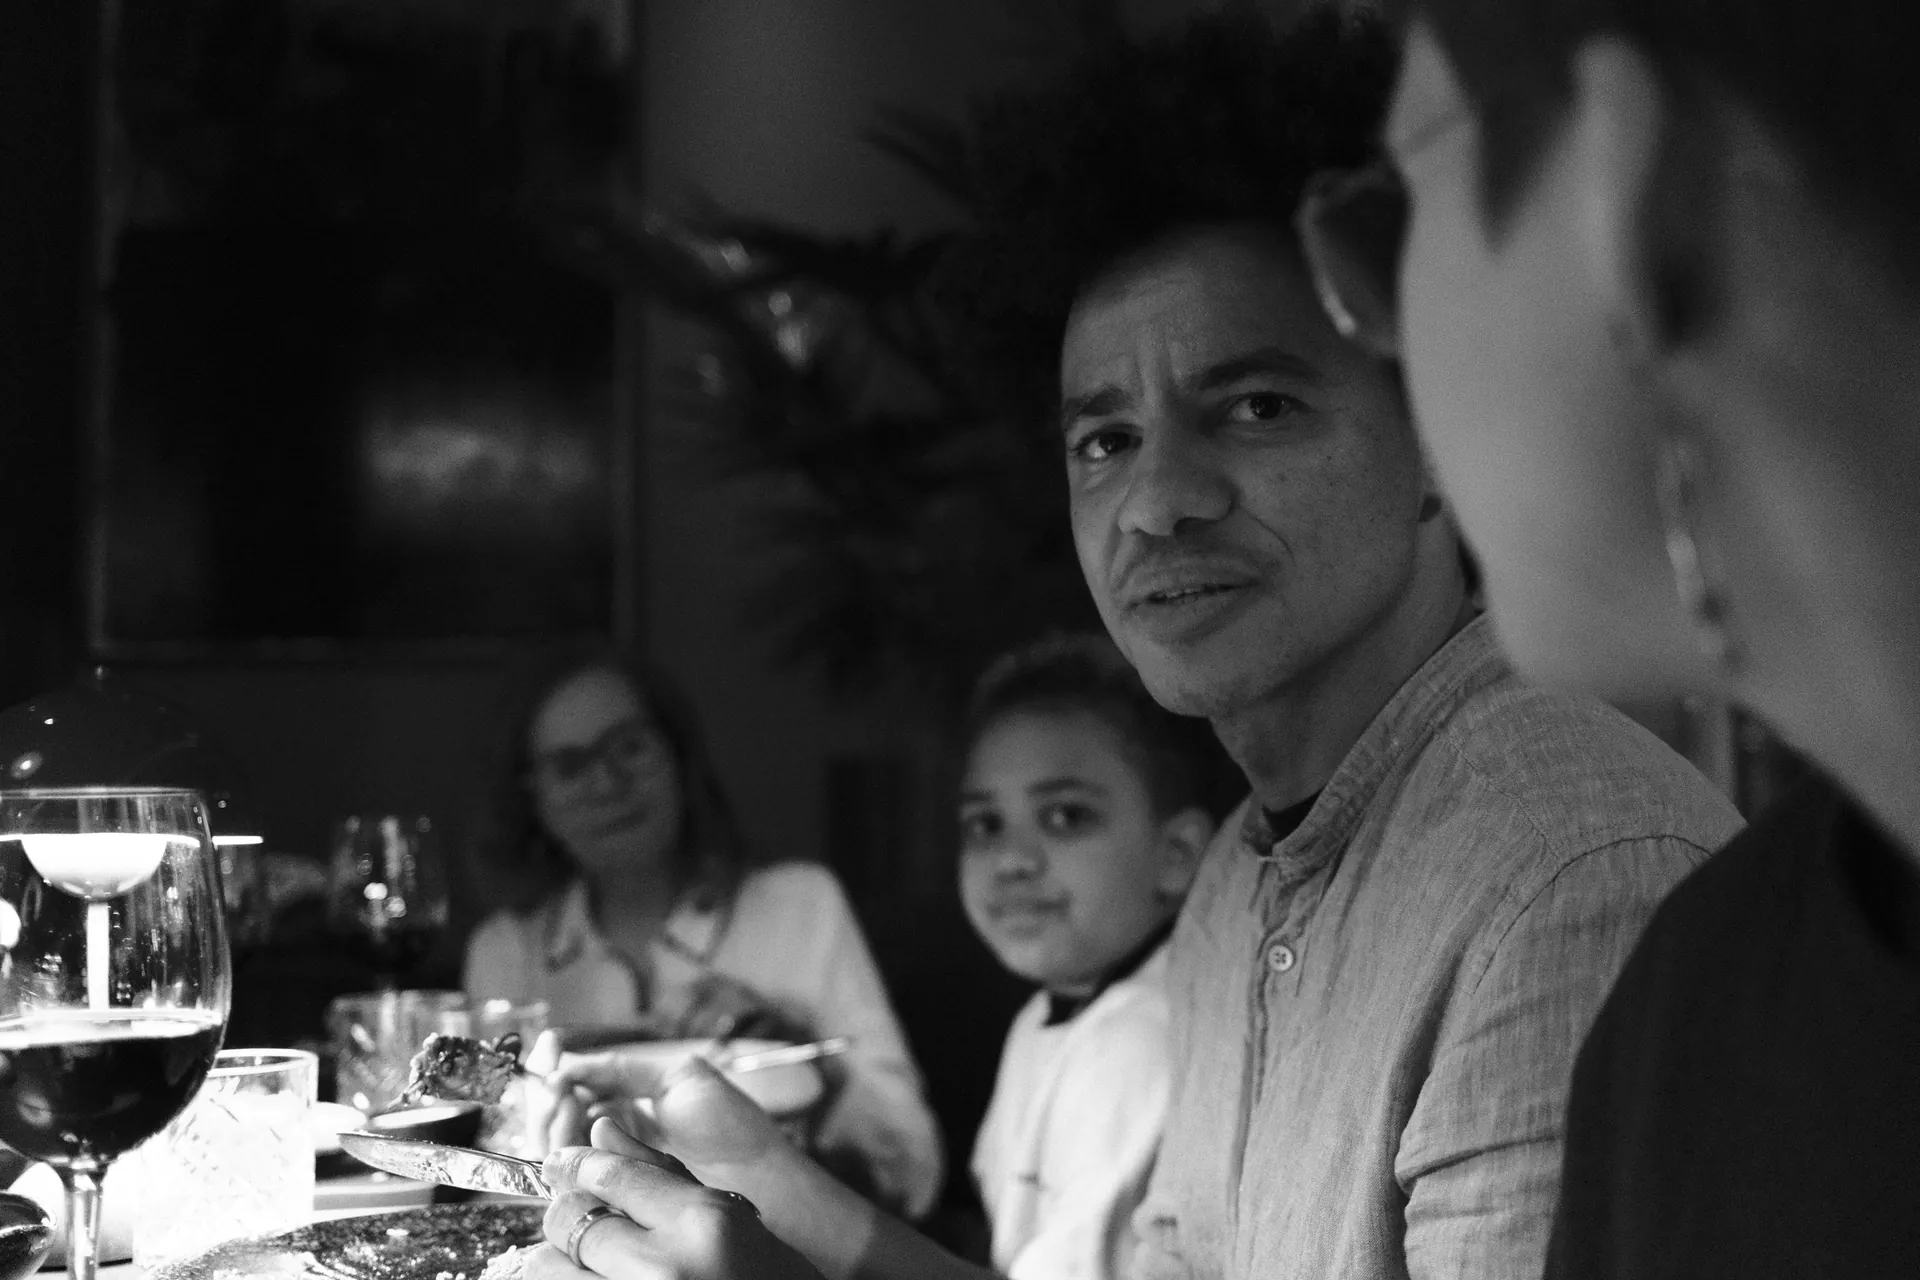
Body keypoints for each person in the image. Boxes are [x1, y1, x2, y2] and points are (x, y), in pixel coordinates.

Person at [524, 11, 1742, 1280]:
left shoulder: (1567, 882)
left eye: (1256, 406)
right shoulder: (1234, 881)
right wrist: (780, 1193)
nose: (1158, 502)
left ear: (1437, 434)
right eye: (1106, 440)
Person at [1286, 0, 1920, 1274]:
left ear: (1627, 188)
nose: (1388, 334)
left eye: (1386, 220)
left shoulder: (1686, 992)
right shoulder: (1697, 987)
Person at [463, 641, 943, 1218]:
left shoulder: (801, 906)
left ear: (678, 755)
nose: (608, 782)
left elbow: (912, 1172)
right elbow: (491, 1189)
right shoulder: (504, 953)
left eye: (629, 746)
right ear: (532, 796)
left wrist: (805, 1069)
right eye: (569, 765)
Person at [959, 635, 1236, 1280]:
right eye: (985, 824)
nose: (1012, 860)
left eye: (1064, 816)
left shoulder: (1139, 1037)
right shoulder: (1047, 1014)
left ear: (1176, 855)